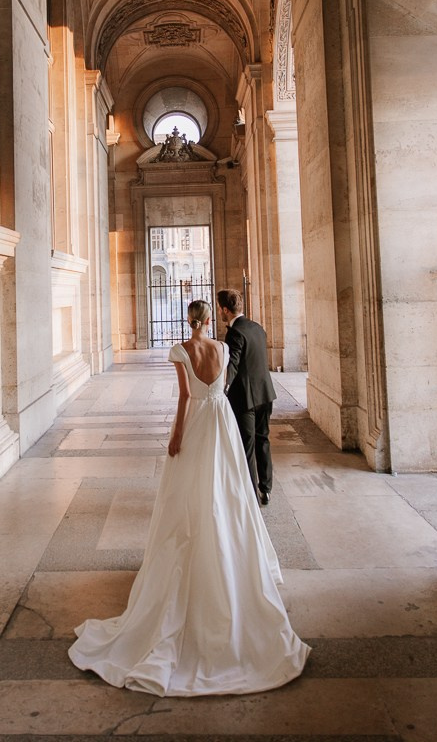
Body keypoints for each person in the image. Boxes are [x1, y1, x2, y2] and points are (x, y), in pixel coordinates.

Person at [68, 300, 310, 696]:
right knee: (227, 488)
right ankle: (227, 549)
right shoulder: (223, 347)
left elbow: (184, 397)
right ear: (211, 319)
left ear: (188, 320)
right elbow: (221, 387)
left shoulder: (181, 350)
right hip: (222, 422)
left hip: (197, 420)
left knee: (188, 493)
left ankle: (195, 549)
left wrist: (176, 434)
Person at [217, 288, 276, 506]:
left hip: (246, 398)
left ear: (225, 309)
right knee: (263, 439)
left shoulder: (234, 333)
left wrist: (222, 387)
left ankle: (250, 494)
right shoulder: (257, 328)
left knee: (247, 444)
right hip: (265, 393)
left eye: (220, 309)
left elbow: (233, 362)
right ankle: (266, 488)